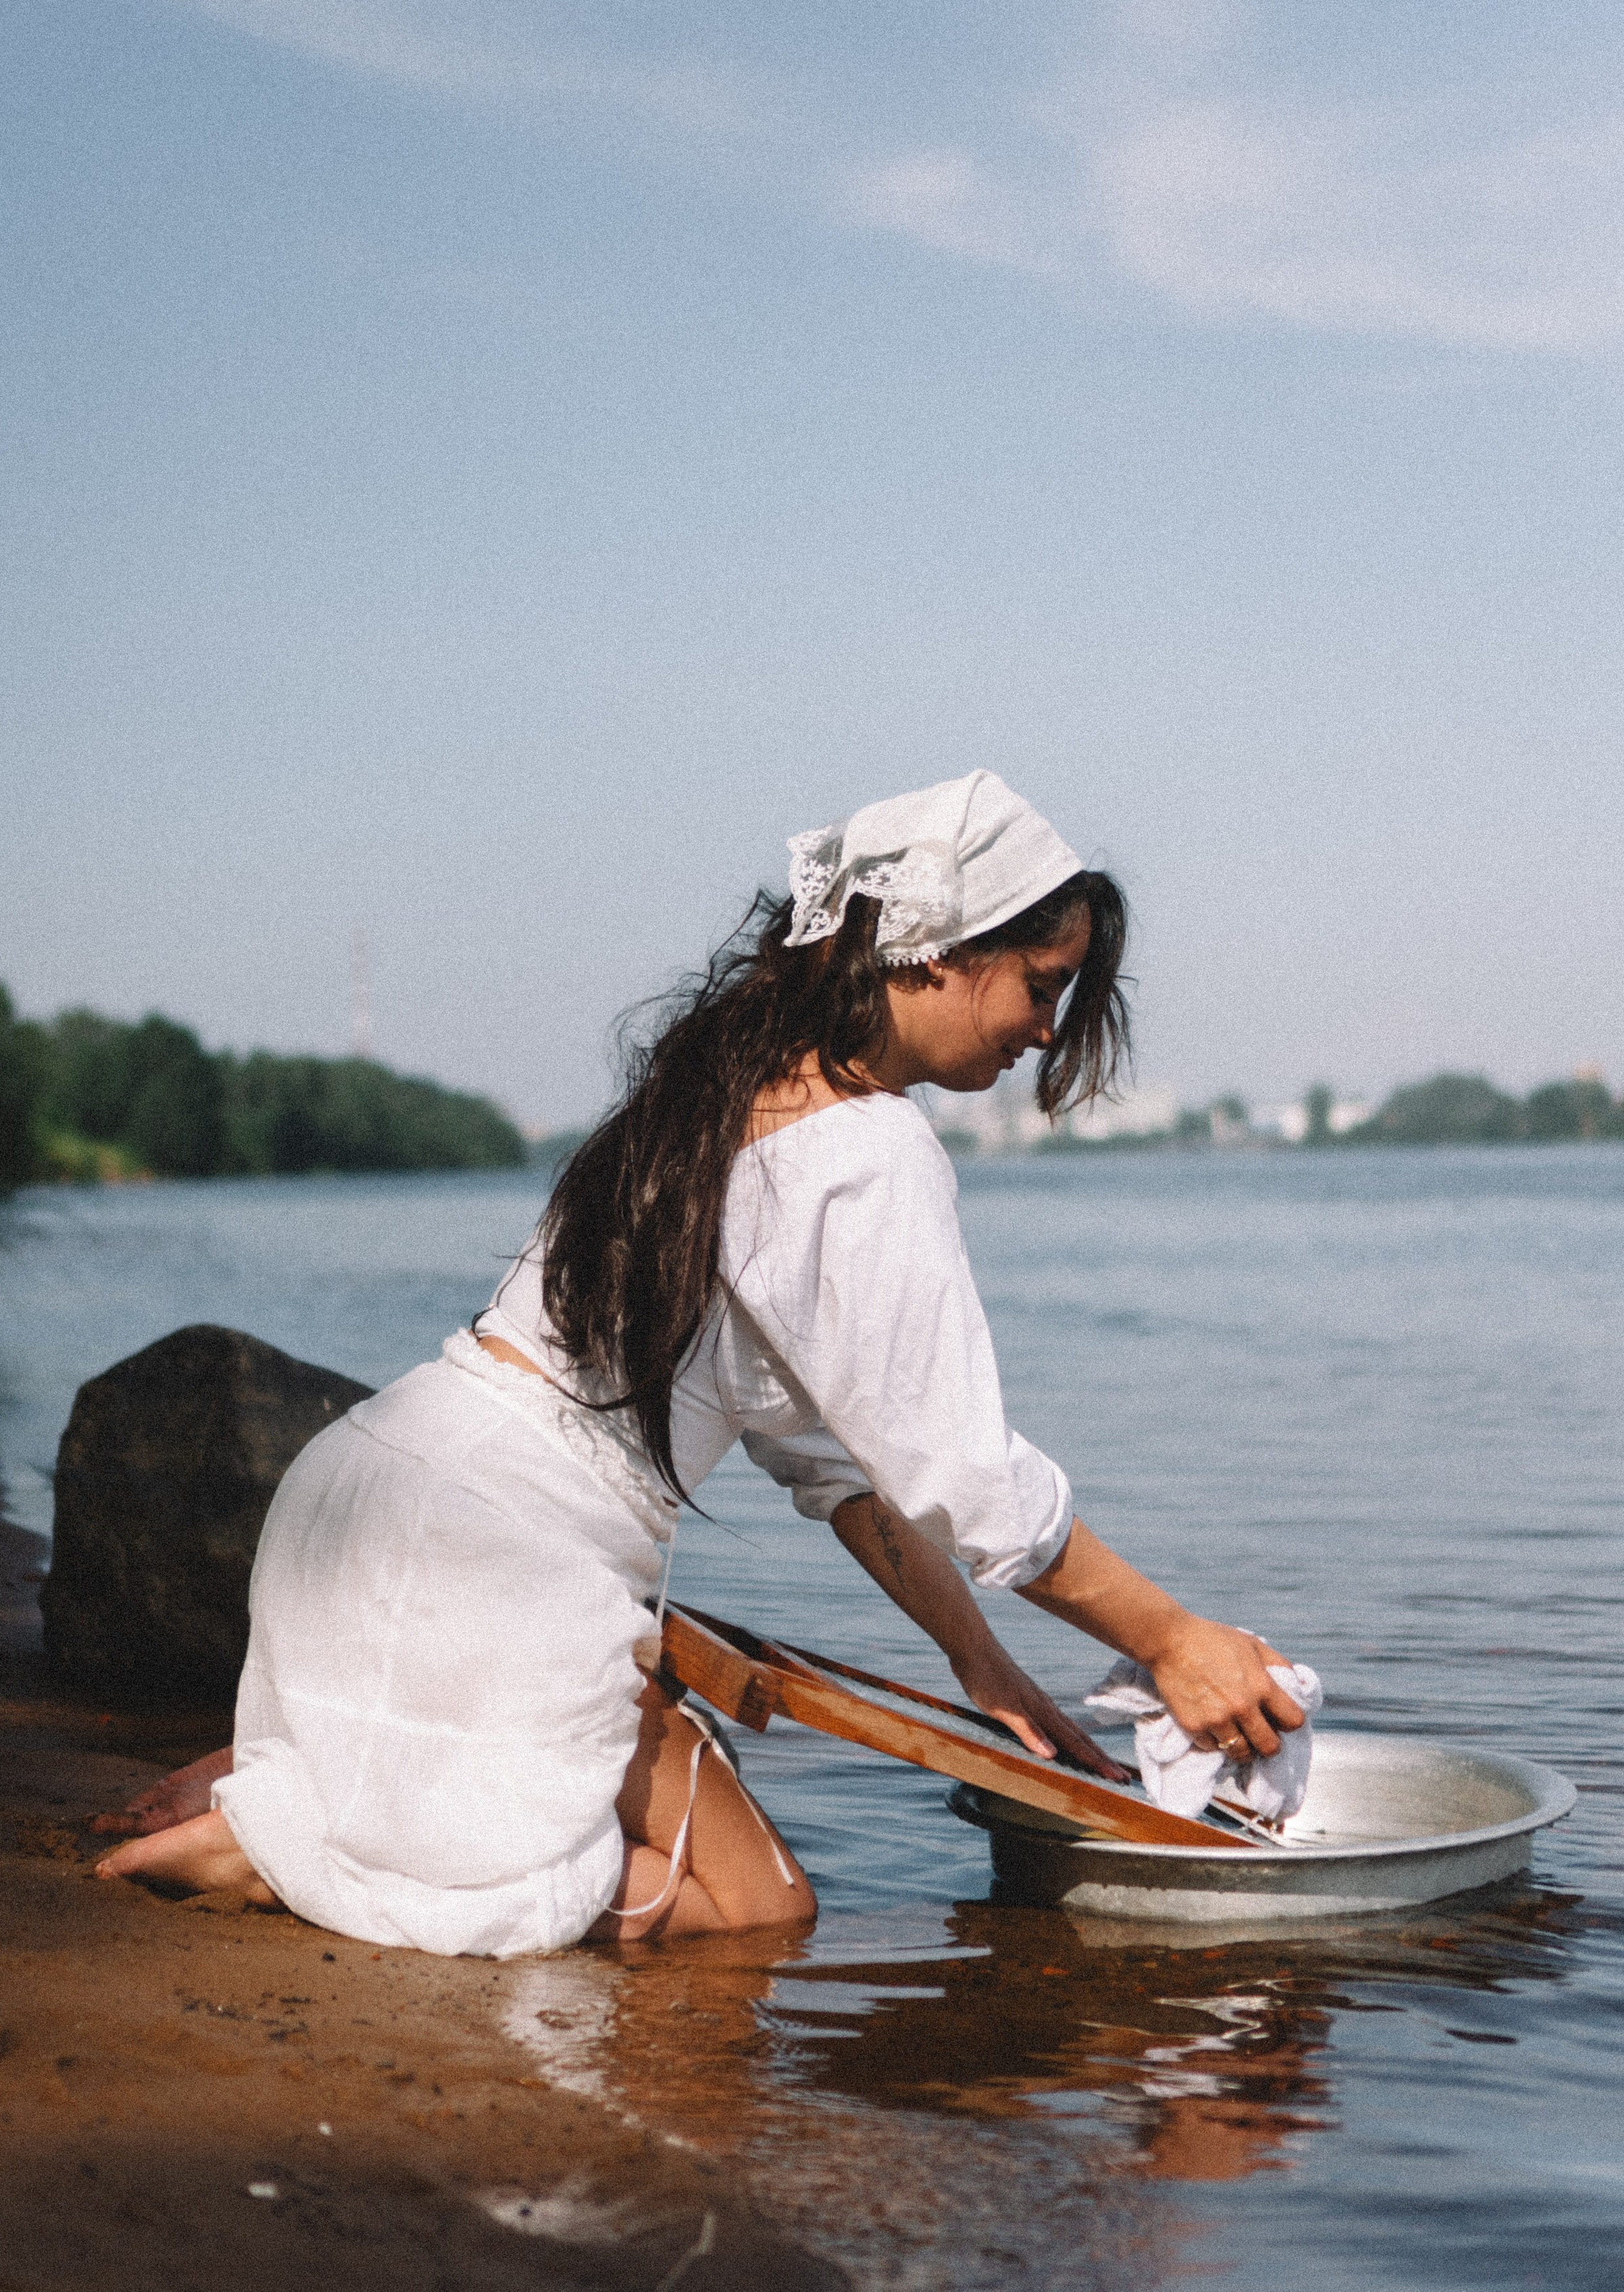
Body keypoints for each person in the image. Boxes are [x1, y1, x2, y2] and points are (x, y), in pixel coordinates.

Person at [96, 771, 1305, 1951]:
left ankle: (336, 1796)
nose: (1047, 1030)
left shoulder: (720, 1093)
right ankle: (297, 1851)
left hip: (359, 1495)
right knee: (758, 1914)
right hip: (497, 1563)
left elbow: (838, 1470)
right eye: (1042, 986)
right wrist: (1169, 1639)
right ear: (938, 948)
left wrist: (980, 1662)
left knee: (619, 1839)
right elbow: (970, 1482)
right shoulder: (870, 1147)